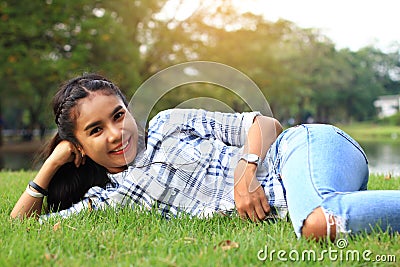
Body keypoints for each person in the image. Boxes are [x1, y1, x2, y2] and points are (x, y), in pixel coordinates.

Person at [11, 73, 400, 242]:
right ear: (79, 146)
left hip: (306, 150)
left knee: (318, 221)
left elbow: (265, 124)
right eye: (95, 131)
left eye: (118, 116)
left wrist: (245, 174)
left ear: (129, 111)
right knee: (317, 219)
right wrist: (53, 162)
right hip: (307, 193)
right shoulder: (112, 199)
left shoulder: (169, 123)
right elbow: (20, 223)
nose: (116, 134)